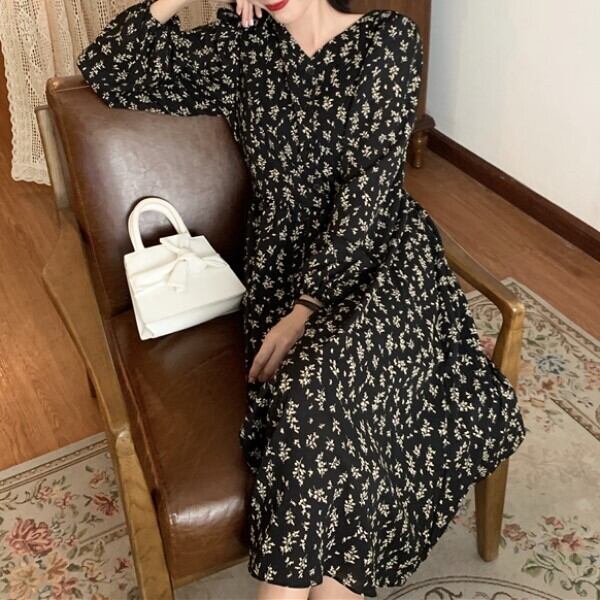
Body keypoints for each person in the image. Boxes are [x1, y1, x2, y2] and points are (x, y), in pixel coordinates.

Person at [76, 0, 528, 598]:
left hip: (383, 256)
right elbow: (110, 67)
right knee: (313, 404)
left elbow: (370, 193)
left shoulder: (386, 39)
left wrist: (306, 309)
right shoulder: (241, 50)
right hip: (282, 266)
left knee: (319, 388)